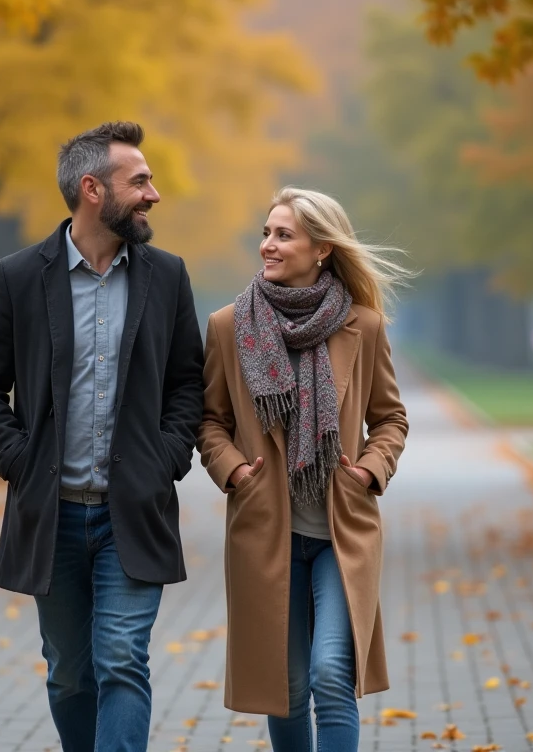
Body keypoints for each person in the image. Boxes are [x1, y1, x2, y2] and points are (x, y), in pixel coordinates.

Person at [0, 122, 204, 752]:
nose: (153, 194)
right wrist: (18, 458)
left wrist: (166, 459)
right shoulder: (19, 276)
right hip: (53, 516)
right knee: (70, 672)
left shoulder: (167, 276)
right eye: (139, 181)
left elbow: (187, 383)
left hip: (135, 510)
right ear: (93, 190)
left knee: (121, 658)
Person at [197, 186, 410, 751]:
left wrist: (370, 469)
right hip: (267, 532)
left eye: (283, 235)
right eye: (266, 233)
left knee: (331, 674)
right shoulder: (229, 326)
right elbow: (210, 421)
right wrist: (234, 471)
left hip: (341, 531)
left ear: (322, 249)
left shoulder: (363, 326)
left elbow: (390, 418)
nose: (268, 244)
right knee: (287, 690)